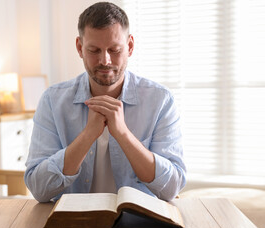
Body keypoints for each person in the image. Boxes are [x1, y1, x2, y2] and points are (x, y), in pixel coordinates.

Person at [24, 2, 186, 202]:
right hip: (73, 227)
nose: (105, 60)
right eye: (94, 50)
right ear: (79, 47)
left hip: (140, 226)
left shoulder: (160, 100)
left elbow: (171, 188)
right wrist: (87, 136)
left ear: (130, 46)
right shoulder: (52, 101)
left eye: (114, 49)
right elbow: (39, 189)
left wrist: (123, 134)